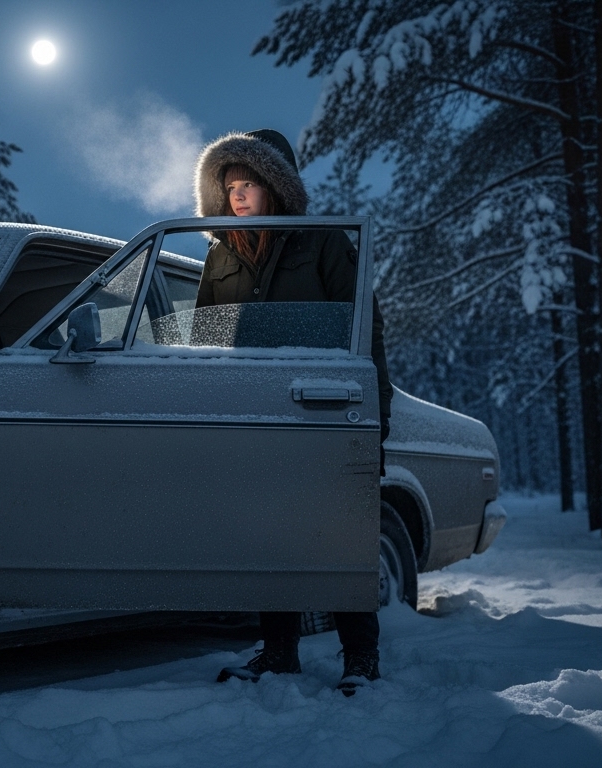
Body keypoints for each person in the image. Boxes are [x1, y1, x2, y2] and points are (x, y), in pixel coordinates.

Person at [194, 129, 393, 696]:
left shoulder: (325, 244)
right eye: (230, 184)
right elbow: (205, 342)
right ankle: (279, 653)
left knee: (340, 533)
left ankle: (361, 657)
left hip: (324, 410)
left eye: (249, 182)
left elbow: (366, 333)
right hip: (254, 416)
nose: (237, 194)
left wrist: (377, 420)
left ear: (277, 186)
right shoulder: (220, 253)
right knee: (268, 531)